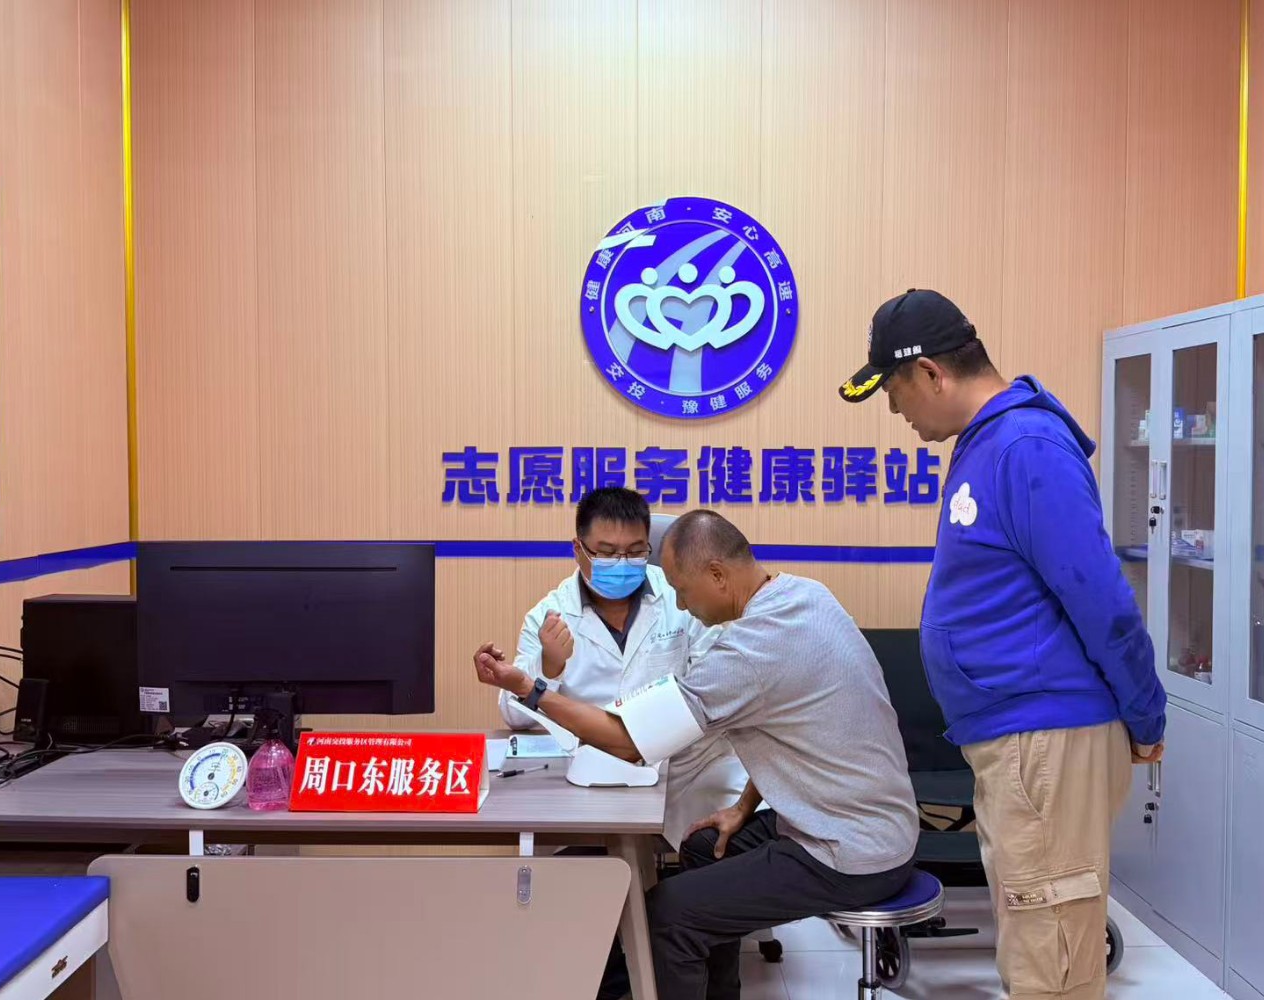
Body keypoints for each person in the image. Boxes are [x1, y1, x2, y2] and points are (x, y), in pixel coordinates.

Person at [838, 288, 1167, 1000]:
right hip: (1016, 738)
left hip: (1046, 734)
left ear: (930, 373)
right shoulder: (988, 443)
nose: (895, 411)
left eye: (894, 391)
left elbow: (1101, 598)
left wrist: (1146, 715)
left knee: (1051, 959)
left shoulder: (1025, 446)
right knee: (1035, 939)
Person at [474, 509, 920, 1000]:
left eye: (683, 590)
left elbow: (628, 740)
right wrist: (743, 808)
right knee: (705, 848)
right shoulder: (805, 595)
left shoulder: (748, 652)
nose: (682, 604)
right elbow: (791, 729)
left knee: (668, 915)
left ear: (717, 575)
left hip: (846, 851)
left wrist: (531, 689)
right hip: (871, 822)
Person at [474, 487, 751, 1000]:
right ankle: (608, 976)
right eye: (607, 552)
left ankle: (714, 983)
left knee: (714, 857)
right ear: (579, 549)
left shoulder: (680, 596)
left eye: (634, 551)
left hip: (688, 763)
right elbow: (513, 712)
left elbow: (718, 674)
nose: (622, 563)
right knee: (587, 868)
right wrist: (550, 668)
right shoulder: (550, 614)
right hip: (596, 770)